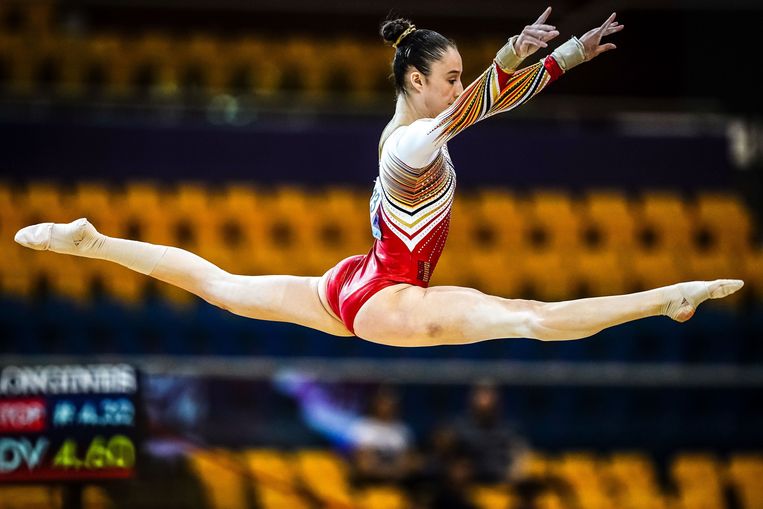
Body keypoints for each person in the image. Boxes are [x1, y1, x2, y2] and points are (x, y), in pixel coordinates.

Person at [14, 7, 743, 347]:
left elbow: (487, 99)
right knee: (528, 317)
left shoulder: (409, 133)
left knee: (221, 285)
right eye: (449, 77)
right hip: (388, 297)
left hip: (353, 282)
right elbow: (483, 102)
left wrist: (560, 56)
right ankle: (666, 299)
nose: (458, 87)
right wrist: (528, 57)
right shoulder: (410, 146)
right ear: (417, 79)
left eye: (461, 77)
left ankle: (93, 242)